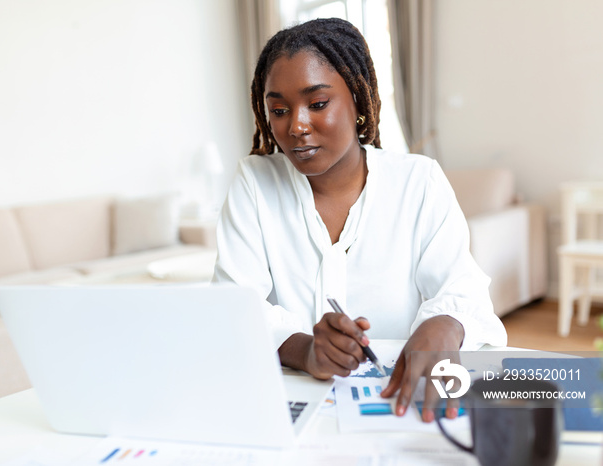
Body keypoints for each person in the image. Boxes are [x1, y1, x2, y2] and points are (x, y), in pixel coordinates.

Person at [212, 18, 507, 422]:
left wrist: (446, 322)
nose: (295, 126)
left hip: (398, 405)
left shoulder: (418, 181)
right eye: (278, 110)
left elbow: (463, 289)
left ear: (357, 99)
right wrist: (306, 351)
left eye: (317, 104)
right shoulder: (255, 183)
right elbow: (234, 305)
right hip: (291, 409)